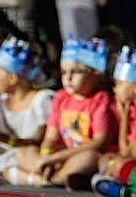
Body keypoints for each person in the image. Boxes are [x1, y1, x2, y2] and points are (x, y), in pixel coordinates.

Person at [11, 37, 115, 189]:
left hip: (78, 155)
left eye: (76, 72)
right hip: (59, 156)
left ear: (95, 73)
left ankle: (50, 180)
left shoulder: (101, 100)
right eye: (64, 72)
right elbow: (51, 137)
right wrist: (46, 156)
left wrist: (54, 158)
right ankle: (47, 175)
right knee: (22, 153)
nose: (68, 78)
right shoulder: (60, 97)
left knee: (90, 159)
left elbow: (99, 143)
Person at [0, 38, 55, 178]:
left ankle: (32, 177)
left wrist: (4, 139)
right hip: (9, 150)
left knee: (24, 155)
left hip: (30, 152)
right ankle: (20, 176)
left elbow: (40, 141)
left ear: (12, 78)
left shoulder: (42, 99)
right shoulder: (1, 102)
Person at [92, 48, 136, 197]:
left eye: (119, 84)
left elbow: (129, 153)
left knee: (118, 164)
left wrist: (124, 120)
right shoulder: (134, 110)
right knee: (106, 160)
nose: (114, 89)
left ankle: (134, 191)